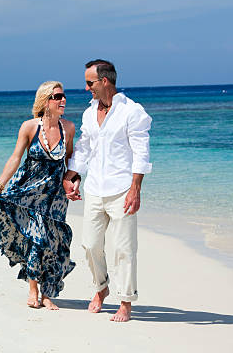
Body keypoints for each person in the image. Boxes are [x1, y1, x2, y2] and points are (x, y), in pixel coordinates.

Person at [63, 59, 152, 322]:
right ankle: (101, 287)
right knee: (90, 244)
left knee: (124, 248)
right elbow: (84, 146)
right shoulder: (89, 112)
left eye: (90, 83)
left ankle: (125, 301)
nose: (87, 88)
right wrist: (72, 174)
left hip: (122, 189)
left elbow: (141, 153)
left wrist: (135, 188)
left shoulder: (132, 112)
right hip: (94, 188)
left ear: (105, 81)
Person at [0, 81, 76, 310]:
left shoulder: (69, 128)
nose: (63, 100)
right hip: (29, 191)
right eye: (57, 97)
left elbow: (71, 164)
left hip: (55, 197)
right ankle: (34, 290)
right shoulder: (29, 127)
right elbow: (16, 157)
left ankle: (48, 293)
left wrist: (74, 184)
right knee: (37, 239)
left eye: (63, 96)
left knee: (53, 241)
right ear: (46, 101)